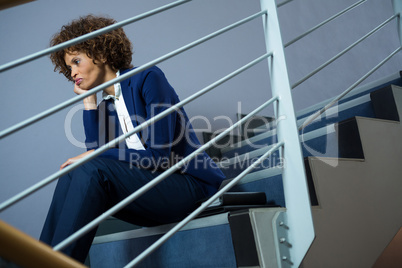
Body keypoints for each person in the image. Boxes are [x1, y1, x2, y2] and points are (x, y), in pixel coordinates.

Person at [40, 14, 226, 263]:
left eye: (76, 61)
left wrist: (96, 155)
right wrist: (89, 102)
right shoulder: (106, 107)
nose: (72, 73)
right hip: (150, 191)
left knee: (89, 168)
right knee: (72, 172)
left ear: (101, 53)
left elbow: (159, 157)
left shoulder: (148, 78)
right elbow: (96, 157)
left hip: (189, 188)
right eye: (68, 67)